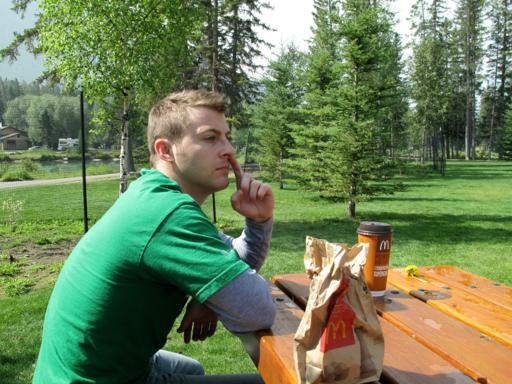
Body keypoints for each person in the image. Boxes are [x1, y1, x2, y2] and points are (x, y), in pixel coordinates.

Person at [32, 90, 276, 384]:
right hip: (98, 380)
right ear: (164, 150)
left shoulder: (152, 193)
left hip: (83, 371)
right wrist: (213, 295)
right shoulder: (167, 213)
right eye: (211, 138)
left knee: (191, 370)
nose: (228, 150)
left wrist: (258, 221)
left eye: (227, 136)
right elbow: (257, 311)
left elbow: (233, 257)